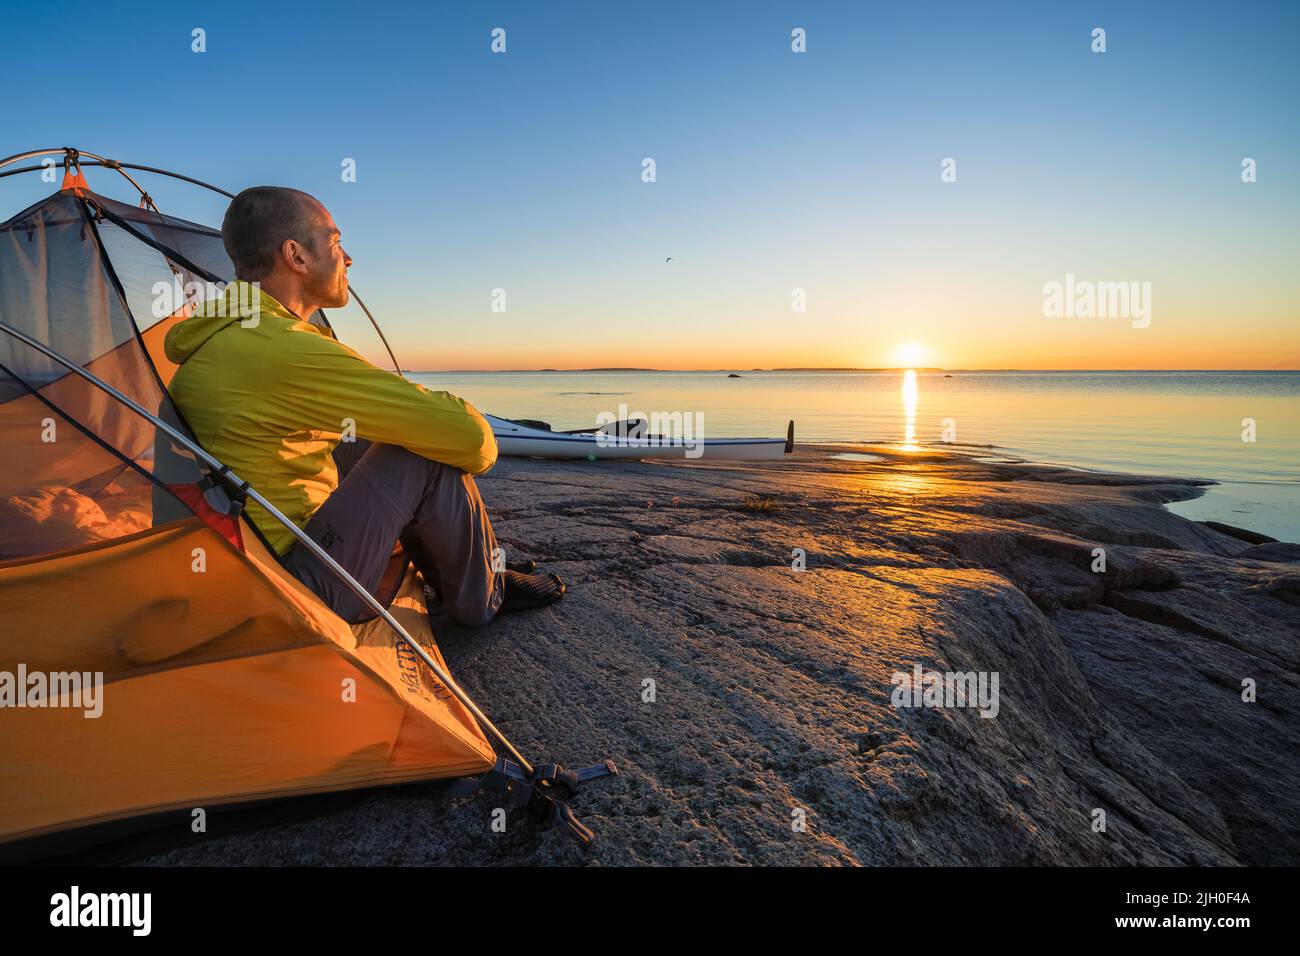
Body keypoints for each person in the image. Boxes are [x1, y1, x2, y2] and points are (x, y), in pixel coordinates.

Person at [164, 186, 565, 624]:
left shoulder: (220, 337)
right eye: (336, 243)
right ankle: (485, 594)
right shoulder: (284, 348)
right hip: (285, 589)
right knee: (422, 449)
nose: (348, 258)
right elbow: (474, 440)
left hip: (227, 562)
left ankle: (474, 570)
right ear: (296, 257)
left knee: (360, 434)